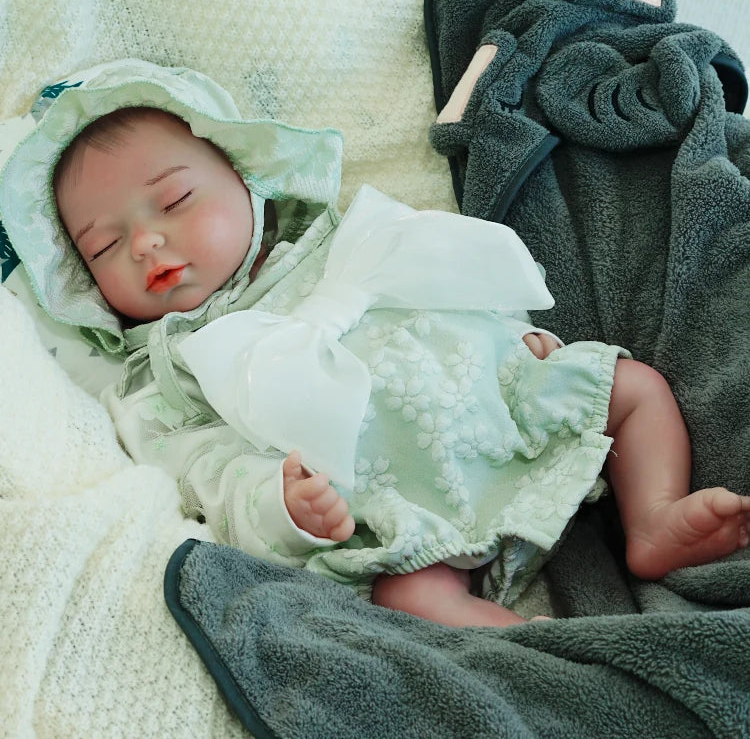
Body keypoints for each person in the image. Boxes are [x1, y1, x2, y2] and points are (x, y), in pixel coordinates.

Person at [4, 60, 749, 629]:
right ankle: (544, 655)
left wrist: (522, 337)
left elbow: (448, 271)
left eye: (173, 201)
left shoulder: (345, 237)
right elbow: (200, 470)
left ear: (245, 178)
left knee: (632, 387)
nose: (147, 242)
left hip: (494, 400)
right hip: (394, 495)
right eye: (104, 247)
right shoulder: (172, 370)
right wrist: (281, 507)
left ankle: (652, 516)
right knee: (408, 595)